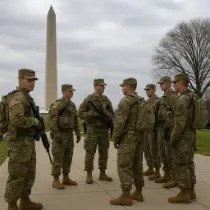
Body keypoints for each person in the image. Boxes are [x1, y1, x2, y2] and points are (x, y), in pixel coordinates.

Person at [4, 69, 43, 210]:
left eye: (34, 80)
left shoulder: (26, 97)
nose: (32, 83)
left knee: (29, 174)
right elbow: (17, 121)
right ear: (20, 80)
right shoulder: (18, 97)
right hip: (19, 143)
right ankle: (12, 205)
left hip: (27, 142)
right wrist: (34, 121)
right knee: (17, 176)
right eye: (29, 80)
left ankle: (25, 201)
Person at [110, 78, 144, 206]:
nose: (122, 88)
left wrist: (115, 138)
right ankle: (138, 192)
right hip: (139, 137)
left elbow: (120, 122)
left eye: (123, 86)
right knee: (137, 165)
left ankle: (125, 195)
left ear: (128, 86)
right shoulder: (141, 100)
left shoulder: (125, 101)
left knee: (124, 165)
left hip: (128, 138)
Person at [78, 79, 114, 184]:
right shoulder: (89, 99)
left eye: (104, 86)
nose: (103, 88)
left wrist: (108, 116)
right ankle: (89, 174)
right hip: (92, 130)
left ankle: (102, 173)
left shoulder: (106, 100)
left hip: (103, 130)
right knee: (90, 152)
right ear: (96, 86)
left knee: (104, 152)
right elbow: (80, 114)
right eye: (101, 86)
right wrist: (91, 114)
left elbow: (113, 114)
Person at [168, 74, 196, 203]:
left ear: (181, 82)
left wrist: (173, 140)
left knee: (181, 163)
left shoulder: (183, 99)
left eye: (175, 83)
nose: (173, 85)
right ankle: (191, 191)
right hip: (191, 135)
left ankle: (184, 192)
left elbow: (179, 123)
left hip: (183, 136)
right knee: (189, 162)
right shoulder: (192, 96)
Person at [49, 84, 81, 189]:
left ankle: (66, 178)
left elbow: (75, 120)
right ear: (63, 91)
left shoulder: (72, 105)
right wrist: (57, 134)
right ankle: (56, 180)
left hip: (69, 134)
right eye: (69, 91)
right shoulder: (58, 104)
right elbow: (52, 120)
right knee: (58, 157)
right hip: (60, 134)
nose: (72, 93)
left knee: (68, 157)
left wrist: (77, 132)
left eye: (72, 91)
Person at [155, 76, 177, 189]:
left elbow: (175, 114)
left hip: (170, 127)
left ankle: (174, 177)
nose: (160, 85)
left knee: (170, 153)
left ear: (168, 83)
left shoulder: (172, 96)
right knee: (162, 152)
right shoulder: (162, 98)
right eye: (160, 83)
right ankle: (166, 174)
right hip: (161, 127)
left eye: (162, 83)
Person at [143, 84, 161, 181]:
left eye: (149, 90)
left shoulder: (158, 101)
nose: (147, 91)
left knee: (154, 150)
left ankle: (157, 170)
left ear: (154, 90)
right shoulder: (146, 102)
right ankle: (150, 167)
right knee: (146, 149)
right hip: (146, 129)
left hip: (154, 129)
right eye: (146, 90)